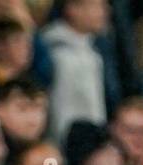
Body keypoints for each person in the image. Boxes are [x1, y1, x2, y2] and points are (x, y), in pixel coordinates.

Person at [41, 0, 110, 140]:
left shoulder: (93, 49)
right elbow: (62, 111)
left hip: (93, 139)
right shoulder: (58, 52)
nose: (105, 11)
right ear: (72, 9)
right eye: (96, 5)